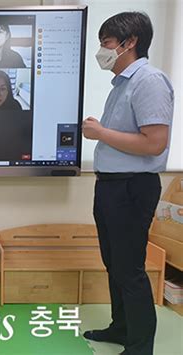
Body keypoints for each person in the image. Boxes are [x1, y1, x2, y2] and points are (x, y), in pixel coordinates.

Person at [82, 12, 173, 355]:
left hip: (132, 187)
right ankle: (121, 328)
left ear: (129, 41)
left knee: (129, 267)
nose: (102, 51)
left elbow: (154, 143)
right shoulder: (122, 83)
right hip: (110, 186)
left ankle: (140, 346)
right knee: (114, 262)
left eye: (106, 43)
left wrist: (101, 133)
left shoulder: (149, 80)